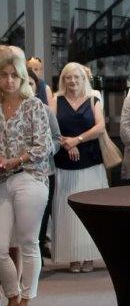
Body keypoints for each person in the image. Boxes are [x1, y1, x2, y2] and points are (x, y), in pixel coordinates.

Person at [0, 51, 51, 306]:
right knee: (0, 248)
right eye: (4, 75)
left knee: (28, 242)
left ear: (22, 79)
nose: (9, 80)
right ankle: (12, 298)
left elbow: (45, 146)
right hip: (2, 180)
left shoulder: (33, 105)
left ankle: (25, 303)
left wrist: (16, 159)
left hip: (30, 176)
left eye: (14, 76)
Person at [50, 62, 108, 273]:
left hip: (91, 162)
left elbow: (100, 127)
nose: (72, 81)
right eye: (68, 77)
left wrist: (78, 139)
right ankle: (72, 257)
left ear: (84, 79)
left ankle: (89, 256)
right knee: (67, 212)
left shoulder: (94, 99)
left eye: (76, 77)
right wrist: (68, 143)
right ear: (63, 80)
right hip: (64, 164)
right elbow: (51, 128)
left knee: (90, 210)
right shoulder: (56, 100)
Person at [26, 67, 60, 259]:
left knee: (41, 218)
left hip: (45, 172)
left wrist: (46, 151)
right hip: (15, 173)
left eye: (30, 83)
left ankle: (37, 260)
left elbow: (56, 138)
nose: (27, 86)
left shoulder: (45, 110)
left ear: (36, 87)